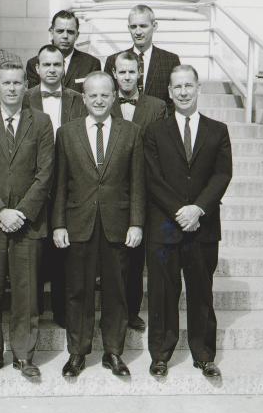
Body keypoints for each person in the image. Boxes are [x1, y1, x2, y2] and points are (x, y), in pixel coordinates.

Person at [52, 71, 145, 378]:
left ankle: (113, 352)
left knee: (116, 290)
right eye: (92, 94)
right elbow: (60, 184)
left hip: (117, 224)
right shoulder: (67, 133)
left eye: (105, 94)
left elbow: (137, 183)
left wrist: (136, 223)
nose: (99, 100)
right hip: (79, 223)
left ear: (114, 96)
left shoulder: (130, 132)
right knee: (77, 290)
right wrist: (58, 225)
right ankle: (77, 353)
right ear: (84, 97)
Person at [0, 62, 55, 380]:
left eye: (18, 83)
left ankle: (23, 355)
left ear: (25, 85)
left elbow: (45, 174)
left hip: (28, 223)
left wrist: (22, 212)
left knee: (27, 292)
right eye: (6, 83)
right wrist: (0, 211)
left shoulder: (42, 122)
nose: (12, 88)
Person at [144, 65, 232, 379]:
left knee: (201, 292)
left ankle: (204, 354)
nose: (183, 92)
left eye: (189, 86)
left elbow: (222, 174)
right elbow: (152, 179)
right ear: (169, 92)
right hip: (165, 225)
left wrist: (198, 209)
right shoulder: (154, 131)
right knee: (162, 293)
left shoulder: (217, 130)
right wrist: (180, 210)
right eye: (177, 87)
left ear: (197, 88)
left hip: (202, 227)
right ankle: (161, 354)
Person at [25, 44, 87, 328]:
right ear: (37, 69)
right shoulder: (23, 98)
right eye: (46, 65)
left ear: (65, 69)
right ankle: (32, 314)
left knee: (65, 253)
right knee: (33, 254)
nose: (52, 70)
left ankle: (64, 313)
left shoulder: (78, 100)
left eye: (57, 65)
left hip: (69, 185)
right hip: (32, 187)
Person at [110, 50, 167, 332]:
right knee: (113, 257)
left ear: (140, 74)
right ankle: (113, 312)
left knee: (135, 258)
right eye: (122, 72)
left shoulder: (156, 107)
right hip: (111, 190)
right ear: (114, 74)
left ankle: (131, 312)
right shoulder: (103, 102)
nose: (127, 77)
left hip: (144, 189)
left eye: (132, 72)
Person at [104, 4, 180, 106]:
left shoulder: (170, 61)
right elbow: (107, 98)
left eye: (143, 26)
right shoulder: (113, 60)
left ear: (154, 26)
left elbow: (174, 101)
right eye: (133, 27)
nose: (138, 32)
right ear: (128, 28)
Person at [27, 10, 101, 92]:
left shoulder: (91, 64)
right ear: (51, 33)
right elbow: (33, 100)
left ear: (77, 35)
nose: (65, 36)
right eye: (60, 31)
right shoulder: (34, 64)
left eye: (70, 32)